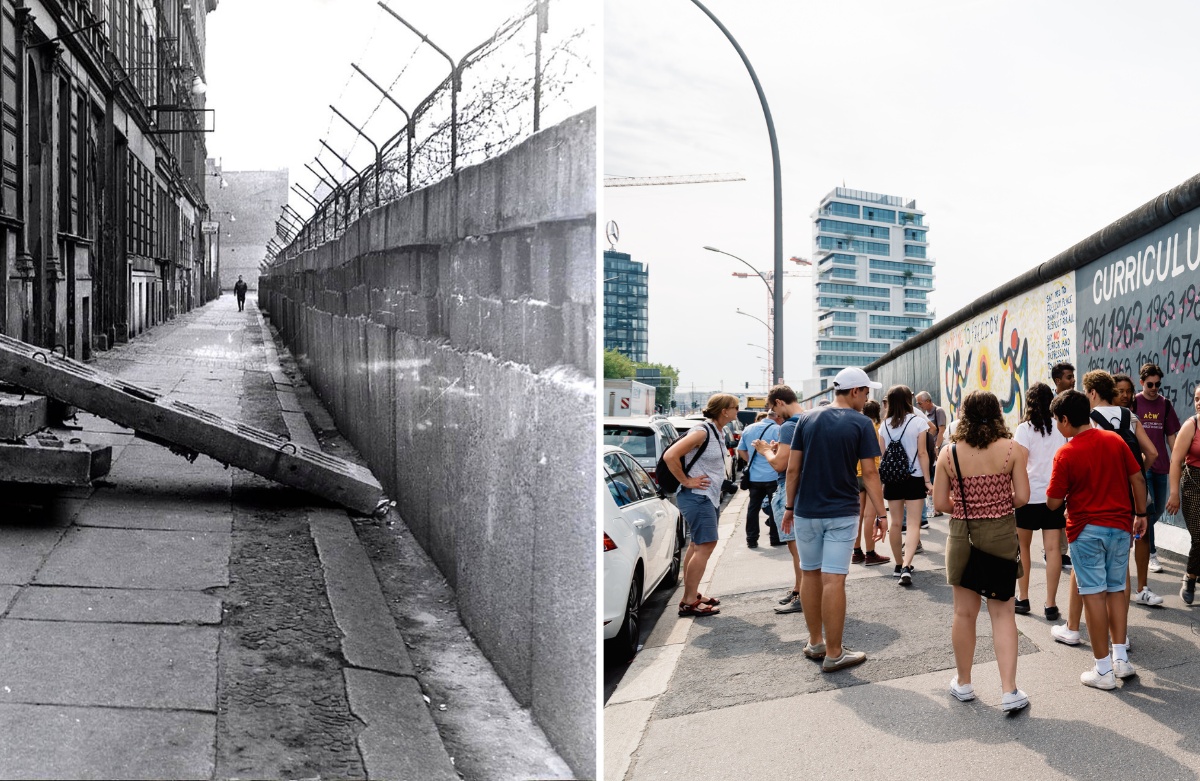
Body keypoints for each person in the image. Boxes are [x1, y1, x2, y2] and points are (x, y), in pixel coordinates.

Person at [780, 367, 885, 671]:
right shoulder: (862, 423)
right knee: (834, 578)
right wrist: (881, 513)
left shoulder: (807, 418)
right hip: (841, 511)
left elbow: (793, 469)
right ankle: (835, 652)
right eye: (866, 392)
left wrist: (789, 506)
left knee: (810, 574)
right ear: (854, 391)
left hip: (805, 511)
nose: (867, 399)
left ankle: (815, 642)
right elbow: (870, 473)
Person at [933, 390, 1030, 712]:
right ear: (997, 413)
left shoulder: (949, 454)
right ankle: (1009, 690)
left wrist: (969, 507)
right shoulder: (1013, 450)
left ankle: (963, 683)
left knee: (964, 613)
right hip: (1002, 532)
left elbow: (939, 503)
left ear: (965, 414)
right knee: (1002, 612)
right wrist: (996, 503)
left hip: (964, 535)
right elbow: (1023, 497)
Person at [1046, 389, 1148, 689]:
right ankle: (1120, 658)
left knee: (1093, 594)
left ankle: (1103, 670)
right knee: (1117, 589)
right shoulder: (1115, 440)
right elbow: (1138, 478)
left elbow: (1053, 501)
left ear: (1065, 420)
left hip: (1086, 529)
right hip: (1120, 527)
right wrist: (1140, 513)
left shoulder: (1066, 452)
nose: (1057, 427)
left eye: (1057, 421)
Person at [664, 393, 740, 617]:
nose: (737, 410)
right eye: (735, 407)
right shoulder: (702, 431)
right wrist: (686, 481)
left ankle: (692, 593)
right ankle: (688, 601)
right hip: (697, 496)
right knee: (706, 545)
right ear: (724, 411)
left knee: (698, 545)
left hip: (707, 496)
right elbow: (670, 456)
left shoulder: (716, 431)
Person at [1013, 382, 1067, 620]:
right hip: (1054, 496)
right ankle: (1051, 604)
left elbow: (1020, 465)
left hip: (1028, 497)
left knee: (1023, 547)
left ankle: (1023, 599)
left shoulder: (1024, 429)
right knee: (1053, 549)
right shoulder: (1060, 427)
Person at [754, 385, 806, 614]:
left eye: (773, 408)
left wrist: (765, 450)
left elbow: (781, 465)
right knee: (802, 549)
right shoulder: (809, 419)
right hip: (808, 486)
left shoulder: (788, 427)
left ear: (779, 402)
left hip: (790, 489)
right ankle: (798, 589)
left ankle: (803, 596)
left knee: (797, 550)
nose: (775, 415)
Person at [880, 385, 932, 585]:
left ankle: (897, 564)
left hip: (893, 479)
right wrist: (927, 481)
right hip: (915, 477)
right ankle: (906, 566)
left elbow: (884, 455)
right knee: (912, 523)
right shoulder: (918, 422)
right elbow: (922, 453)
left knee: (894, 523)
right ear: (908, 401)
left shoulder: (884, 425)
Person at [1130, 363, 1180, 575]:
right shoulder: (1133, 403)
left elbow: (1171, 436)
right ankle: (1151, 554)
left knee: (1158, 509)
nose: (1154, 388)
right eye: (1150, 384)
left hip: (1161, 465)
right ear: (1141, 382)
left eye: (1158, 384)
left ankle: (1138, 528)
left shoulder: (1165, 405)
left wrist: (1179, 459)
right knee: (1148, 510)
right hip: (1141, 465)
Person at [1166, 385, 1200, 605]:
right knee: (1199, 536)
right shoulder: (1192, 425)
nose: (1199, 402)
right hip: (1193, 484)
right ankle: (1189, 577)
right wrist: (1174, 493)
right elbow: (1176, 461)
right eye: (1197, 398)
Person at [852, 400, 890, 566]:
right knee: (869, 515)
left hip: (855, 474)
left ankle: (856, 552)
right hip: (872, 474)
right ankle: (870, 553)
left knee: (858, 516)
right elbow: (882, 453)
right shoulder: (877, 428)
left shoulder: (856, 427)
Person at [737, 410, 782, 548]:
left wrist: (751, 461)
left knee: (753, 508)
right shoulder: (778, 429)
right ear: (778, 416)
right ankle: (775, 538)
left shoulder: (748, 429)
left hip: (755, 477)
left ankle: (751, 539)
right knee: (776, 507)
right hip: (773, 475)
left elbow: (741, 450)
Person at [1051, 361, 1077, 573]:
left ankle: (1062, 548)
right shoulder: (1049, 404)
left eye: (1073, 376)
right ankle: (1059, 550)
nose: (1073, 380)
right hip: (1058, 459)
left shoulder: (1077, 401)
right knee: (1058, 506)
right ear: (1058, 381)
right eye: (1069, 377)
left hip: (1074, 456)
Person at [916, 391, 947, 522]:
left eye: (920, 403)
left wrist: (936, 447)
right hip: (929, 448)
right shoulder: (925, 414)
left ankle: (936, 508)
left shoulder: (938, 411)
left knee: (935, 478)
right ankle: (933, 507)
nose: (918, 405)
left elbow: (941, 430)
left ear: (928, 401)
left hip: (936, 448)